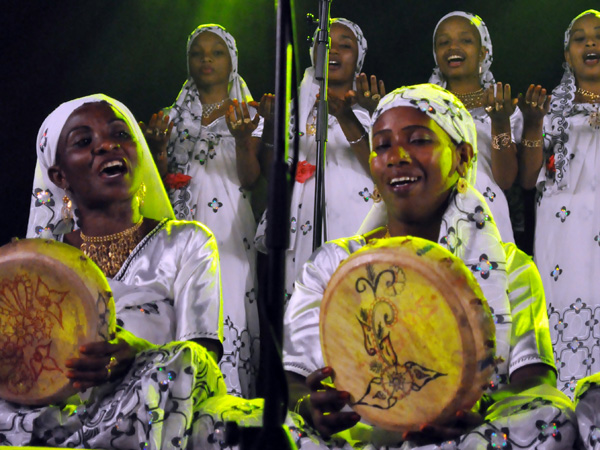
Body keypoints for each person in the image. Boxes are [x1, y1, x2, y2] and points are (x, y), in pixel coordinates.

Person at [282, 84, 577, 449]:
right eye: (383, 145)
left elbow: (535, 383)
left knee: (554, 414)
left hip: (468, 438)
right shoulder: (332, 264)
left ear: (463, 157)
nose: (396, 157)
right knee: (257, 421)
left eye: (419, 140)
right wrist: (305, 404)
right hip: (354, 438)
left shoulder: (511, 268)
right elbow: (292, 376)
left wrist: (480, 410)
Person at [2, 94, 228, 448]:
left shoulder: (187, 242)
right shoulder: (41, 265)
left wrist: (139, 355)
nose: (107, 145)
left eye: (121, 135)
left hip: (155, 412)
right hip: (53, 422)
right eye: (84, 141)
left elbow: (200, 359)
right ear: (59, 175)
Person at [146, 24, 262, 398]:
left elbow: (250, 179)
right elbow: (157, 185)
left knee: (228, 305)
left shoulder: (250, 114)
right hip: (182, 225)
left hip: (230, 227)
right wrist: (159, 150)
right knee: (180, 308)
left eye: (217, 52)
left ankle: (229, 404)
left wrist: (244, 139)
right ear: (188, 62)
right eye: (198, 53)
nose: (207, 59)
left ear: (232, 61)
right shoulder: (169, 117)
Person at [255, 18, 385, 301]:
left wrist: (346, 117)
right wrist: (269, 126)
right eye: (325, 43)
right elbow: (270, 175)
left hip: (352, 227)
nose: (333, 51)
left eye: (345, 45)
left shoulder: (372, 113)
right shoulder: (293, 110)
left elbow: (381, 172)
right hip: (301, 230)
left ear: (358, 58)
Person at [519, 9, 600, 400]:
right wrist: (533, 125)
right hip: (563, 240)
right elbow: (526, 177)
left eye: (598, 35)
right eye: (579, 38)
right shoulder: (549, 112)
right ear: (567, 57)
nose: (590, 43)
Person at [429, 11, 521, 243]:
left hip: (488, 218)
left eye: (465, 40)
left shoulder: (504, 107)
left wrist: (500, 122)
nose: (453, 47)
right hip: (433, 218)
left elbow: (507, 180)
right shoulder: (422, 106)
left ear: (483, 52)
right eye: (444, 42)